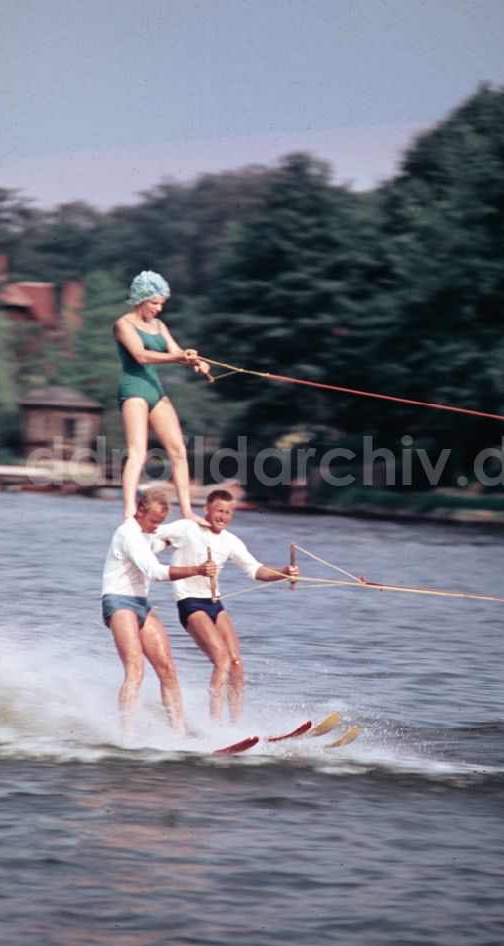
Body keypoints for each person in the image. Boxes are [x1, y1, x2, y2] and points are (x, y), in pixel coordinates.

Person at [155, 489, 299, 725]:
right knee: (221, 660)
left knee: (236, 664)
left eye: (228, 512)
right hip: (190, 604)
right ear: (207, 510)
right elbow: (152, 532)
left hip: (214, 603)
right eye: (219, 510)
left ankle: (236, 725)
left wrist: (284, 573)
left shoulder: (230, 541)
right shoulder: (188, 528)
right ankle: (216, 725)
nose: (223, 516)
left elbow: (256, 570)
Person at [100, 486, 216, 742]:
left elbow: (162, 539)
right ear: (140, 510)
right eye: (153, 521)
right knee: (136, 670)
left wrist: (194, 526)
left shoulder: (145, 533)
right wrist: (196, 569)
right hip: (118, 602)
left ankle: (179, 735)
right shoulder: (128, 534)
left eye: (160, 522)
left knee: (167, 668)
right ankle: (126, 737)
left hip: (141, 603)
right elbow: (155, 572)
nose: (156, 526)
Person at [115, 269, 211, 523]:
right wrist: (178, 358)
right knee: (138, 451)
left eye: (161, 304)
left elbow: (177, 352)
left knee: (178, 450)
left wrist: (196, 363)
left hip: (155, 389)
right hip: (134, 387)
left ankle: (188, 512)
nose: (158, 309)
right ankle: (128, 512)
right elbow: (141, 356)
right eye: (154, 303)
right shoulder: (123, 325)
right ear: (141, 299)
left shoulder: (160, 326)